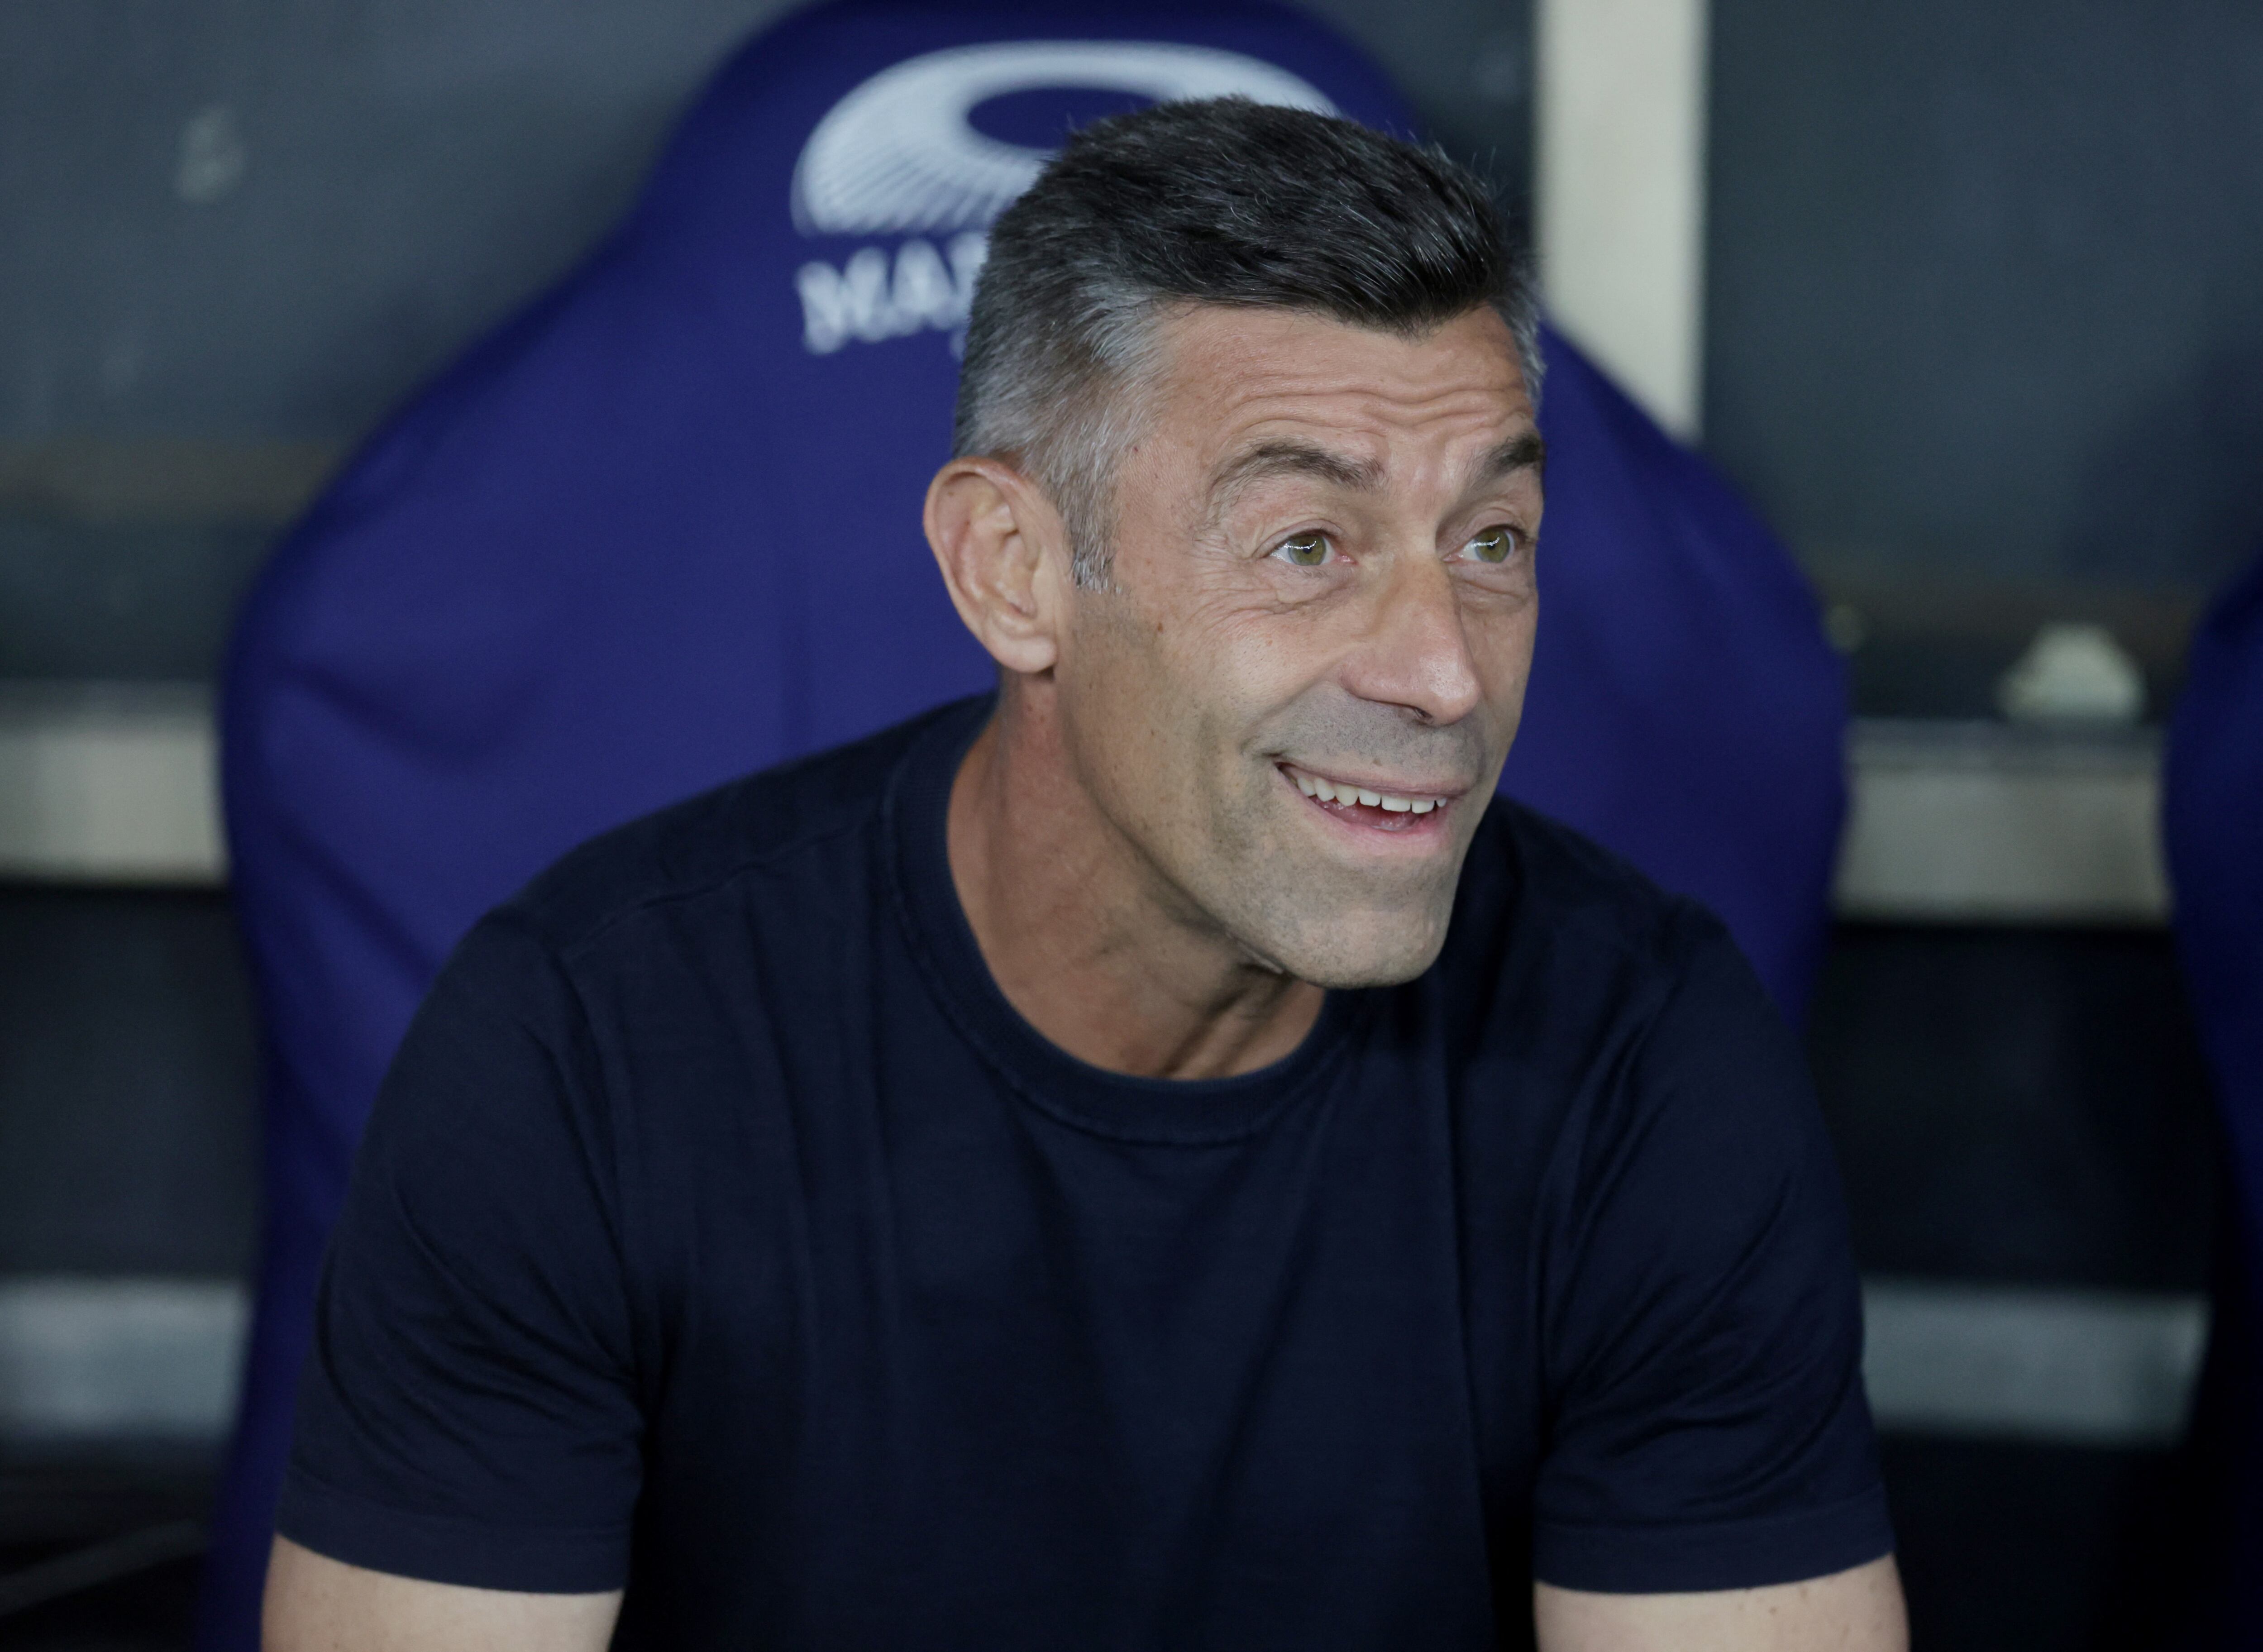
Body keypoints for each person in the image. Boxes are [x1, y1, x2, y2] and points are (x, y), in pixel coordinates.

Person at [262, 100, 1906, 1651]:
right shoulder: (583, 1055)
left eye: (1493, 543)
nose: (1443, 673)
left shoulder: (1644, 1059)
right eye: (1306, 546)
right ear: (1014, 572)